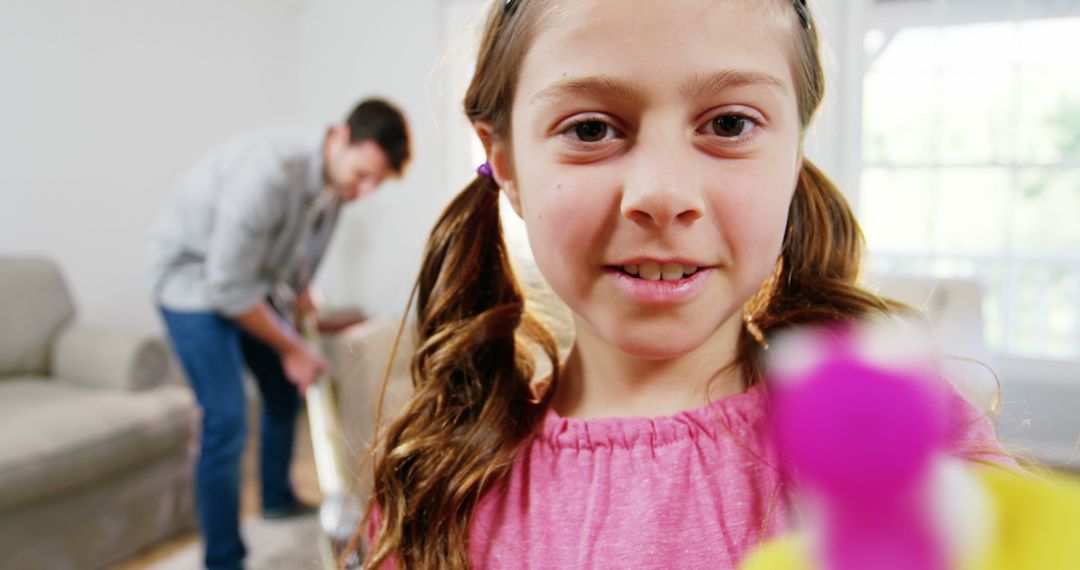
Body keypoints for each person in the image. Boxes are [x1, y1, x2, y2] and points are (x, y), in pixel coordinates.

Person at [358, 1, 1008, 568]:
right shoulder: (441, 488)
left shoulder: (905, 446)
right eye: (590, 129)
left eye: (729, 124)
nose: (662, 194)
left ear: (795, 152)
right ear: (506, 164)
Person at [149, 98, 410, 570]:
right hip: (191, 285)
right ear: (340, 138)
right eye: (363, 174)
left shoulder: (334, 189)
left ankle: (277, 498)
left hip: (246, 283)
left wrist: (304, 288)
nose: (365, 189)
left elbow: (293, 261)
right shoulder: (270, 173)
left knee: (284, 392)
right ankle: (223, 558)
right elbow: (226, 287)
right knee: (226, 417)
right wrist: (292, 347)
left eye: (377, 182)